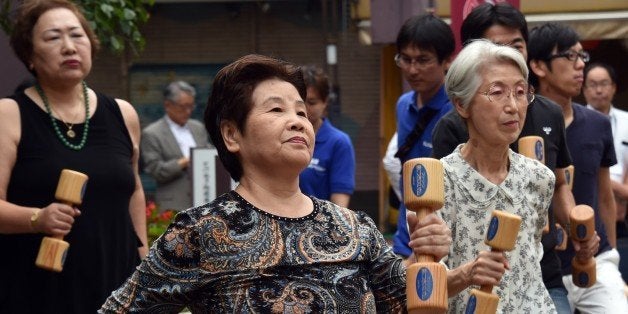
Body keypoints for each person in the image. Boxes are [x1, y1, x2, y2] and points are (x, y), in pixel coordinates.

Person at [100, 54, 452, 312]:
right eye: (276, 110)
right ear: (231, 134)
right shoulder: (204, 230)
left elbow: (403, 302)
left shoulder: (353, 227)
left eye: (302, 112)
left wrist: (428, 255)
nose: (298, 121)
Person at [0, 0, 147, 313]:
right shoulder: (8, 115)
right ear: (29, 56)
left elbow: (133, 192)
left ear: (91, 46)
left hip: (117, 283)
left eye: (76, 35)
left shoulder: (123, 113)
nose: (69, 47)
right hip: (37, 290)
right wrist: (37, 218)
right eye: (53, 38)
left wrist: (145, 265)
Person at [430, 3, 575, 312]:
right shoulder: (436, 181)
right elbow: (423, 281)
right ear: (461, 105)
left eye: (521, 92)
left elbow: (529, 264)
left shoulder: (540, 178)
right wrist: (467, 273)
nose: (513, 106)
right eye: (497, 92)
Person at [529, 22, 628, 313]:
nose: (579, 66)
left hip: (594, 259)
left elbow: (605, 198)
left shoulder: (598, 124)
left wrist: (610, 258)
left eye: (581, 56)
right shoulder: (520, 125)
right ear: (538, 65)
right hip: (541, 268)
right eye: (569, 57)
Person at [391, 13, 455, 258]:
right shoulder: (402, 104)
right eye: (405, 59)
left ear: (447, 60)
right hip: (403, 239)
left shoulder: (458, 111)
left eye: (423, 60)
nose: (412, 69)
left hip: (442, 242)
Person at [141, 80, 210, 211]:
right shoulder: (152, 133)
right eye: (183, 106)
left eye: (191, 106)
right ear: (168, 105)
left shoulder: (198, 128)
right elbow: (156, 170)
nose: (188, 111)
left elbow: (209, 154)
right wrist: (184, 162)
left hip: (204, 200)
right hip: (173, 205)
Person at [298, 65, 355, 207]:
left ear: (325, 103)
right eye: (299, 102)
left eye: (311, 102)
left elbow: (340, 205)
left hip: (319, 226)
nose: (304, 109)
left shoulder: (338, 142)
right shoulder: (283, 137)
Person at [583, 62, 628, 237]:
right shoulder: (575, 123)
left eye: (604, 84)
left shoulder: (627, 121)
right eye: (593, 85)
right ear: (584, 89)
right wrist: (619, 190)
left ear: (614, 87)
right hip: (588, 213)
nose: (599, 90)